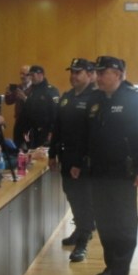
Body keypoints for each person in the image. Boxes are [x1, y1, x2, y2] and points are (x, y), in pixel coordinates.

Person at [85, 56, 138, 275]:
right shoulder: (96, 99)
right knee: (105, 223)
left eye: (102, 72)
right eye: (96, 72)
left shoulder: (135, 99)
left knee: (124, 225)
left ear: (117, 74)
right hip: (99, 173)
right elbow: (88, 136)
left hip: (123, 174)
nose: (97, 77)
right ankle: (112, 265)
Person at [49, 58, 96, 262]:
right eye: (72, 72)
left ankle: (83, 241)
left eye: (78, 72)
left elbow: (92, 135)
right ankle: (79, 230)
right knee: (72, 195)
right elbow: (57, 128)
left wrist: (80, 162)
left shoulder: (95, 98)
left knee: (84, 200)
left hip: (84, 160)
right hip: (66, 157)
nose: (73, 76)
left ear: (90, 74)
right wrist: (52, 154)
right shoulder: (67, 97)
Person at [17, 65, 59, 149]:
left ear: (40, 75)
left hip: (45, 131)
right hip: (32, 132)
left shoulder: (50, 91)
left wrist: (52, 131)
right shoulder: (32, 91)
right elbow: (28, 111)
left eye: (33, 75)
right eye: (30, 75)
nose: (31, 78)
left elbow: (55, 113)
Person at [4, 65, 32, 145]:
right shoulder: (18, 87)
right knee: (17, 143)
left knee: (29, 144)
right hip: (18, 120)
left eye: (24, 74)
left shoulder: (35, 88)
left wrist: (25, 98)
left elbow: (37, 105)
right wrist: (8, 94)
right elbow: (9, 102)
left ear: (30, 75)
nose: (22, 76)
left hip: (30, 122)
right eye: (21, 74)